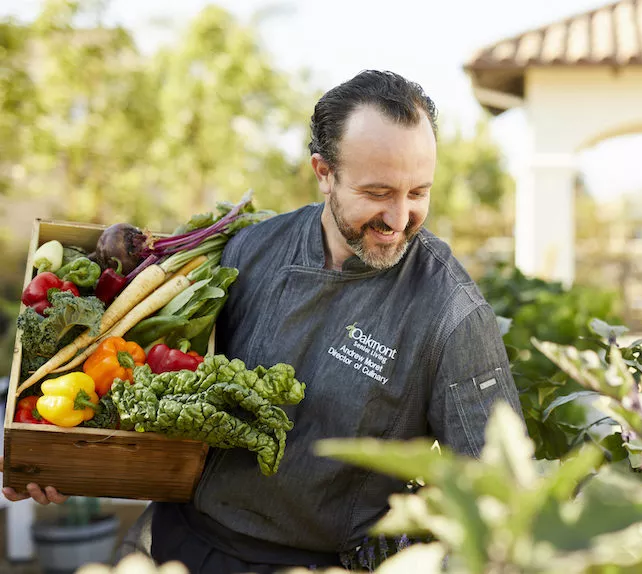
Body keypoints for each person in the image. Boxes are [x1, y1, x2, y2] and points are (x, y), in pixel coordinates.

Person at [1, 69, 525, 572]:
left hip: (318, 566)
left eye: (419, 193)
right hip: (178, 542)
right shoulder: (250, 251)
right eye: (377, 193)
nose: (398, 218)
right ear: (324, 173)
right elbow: (164, 394)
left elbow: (498, 492)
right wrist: (73, 460)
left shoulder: (451, 312)